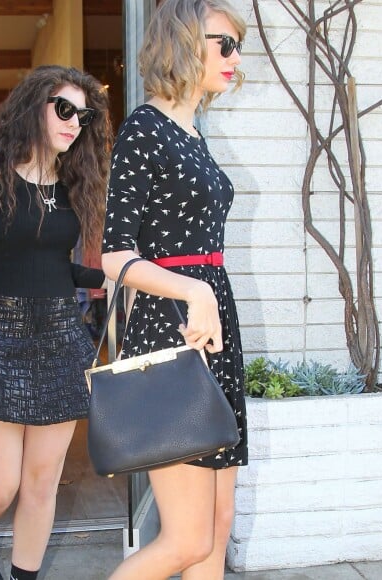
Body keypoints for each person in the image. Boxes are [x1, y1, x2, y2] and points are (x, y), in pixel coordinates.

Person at [0, 65, 112, 580]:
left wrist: (117, 271)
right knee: (2, 484)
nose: (73, 122)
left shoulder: (74, 182)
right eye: (63, 108)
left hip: (60, 340)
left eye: (82, 115)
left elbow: (54, 265)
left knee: (41, 483)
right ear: (33, 106)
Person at [101, 1, 247, 578]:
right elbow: (116, 256)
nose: (234, 58)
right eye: (224, 44)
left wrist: (207, 297)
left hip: (212, 331)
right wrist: (196, 292)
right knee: (186, 539)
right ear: (184, 42)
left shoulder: (193, 130)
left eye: (237, 46)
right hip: (174, 334)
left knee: (219, 525)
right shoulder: (144, 127)